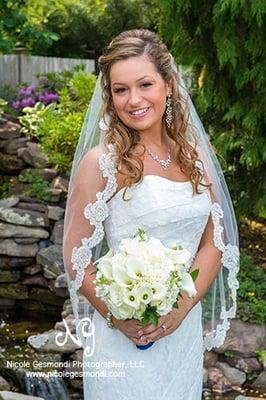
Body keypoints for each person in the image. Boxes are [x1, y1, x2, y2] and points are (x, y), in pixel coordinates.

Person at [63, 29, 239, 400]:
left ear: (169, 85)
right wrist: (119, 318)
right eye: (120, 89)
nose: (134, 99)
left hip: (181, 334)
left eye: (145, 84)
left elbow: (214, 242)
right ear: (109, 96)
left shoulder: (194, 155)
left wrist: (181, 307)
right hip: (123, 339)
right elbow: (76, 258)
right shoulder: (102, 163)